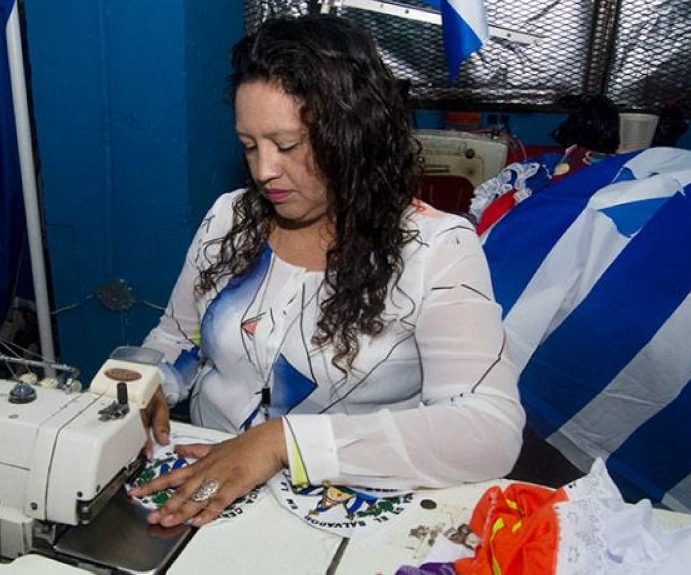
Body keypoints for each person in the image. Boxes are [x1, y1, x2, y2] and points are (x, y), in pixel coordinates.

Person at [131, 14, 525, 528]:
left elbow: (488, 431)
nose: (263, 170)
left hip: (339, 507)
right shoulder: (229, 218)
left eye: (288, 145)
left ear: (353, 135)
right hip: (204, 484)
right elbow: (179, 337)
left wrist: (281, 443)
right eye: (249, 146)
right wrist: (149, 381)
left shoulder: (435, 247)